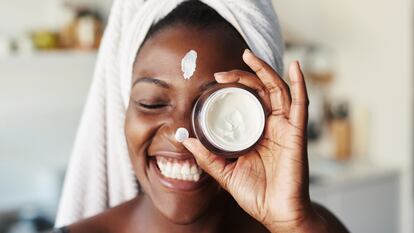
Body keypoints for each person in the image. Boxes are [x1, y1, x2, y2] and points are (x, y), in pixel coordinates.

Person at [54, 0, 349, 232]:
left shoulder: (312, 227)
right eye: (152, 102)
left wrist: (293, 226)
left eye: (216, 107)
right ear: (124, 108)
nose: (182, 136)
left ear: (264, 114)